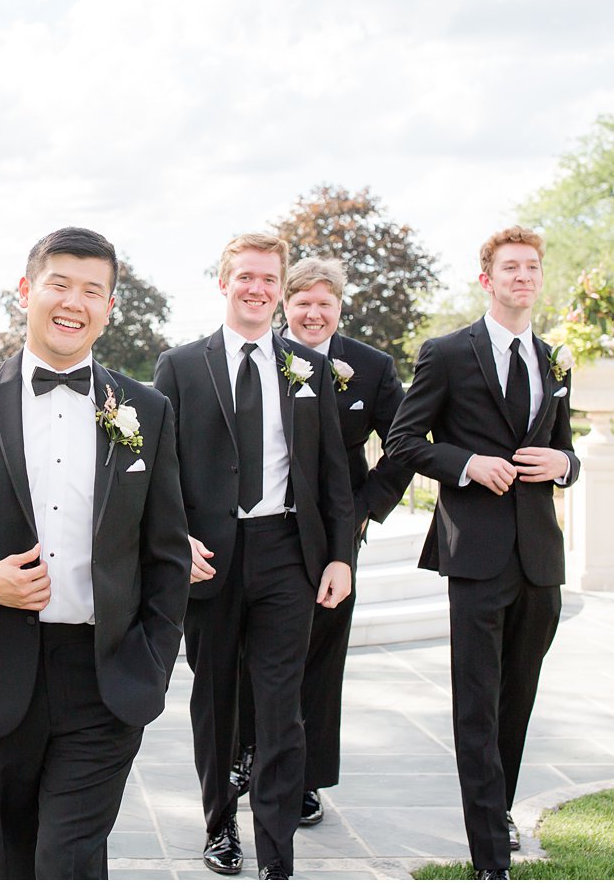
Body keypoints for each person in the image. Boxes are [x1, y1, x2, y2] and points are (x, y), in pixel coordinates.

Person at [0, 227, 190, 879]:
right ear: (26, 292)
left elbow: (166, 552)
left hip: (106, 675)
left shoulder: (148, 410)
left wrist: (154, 658)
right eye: (59, 283)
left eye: (93, 290)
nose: (74, 302)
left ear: (109, 306)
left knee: (69, 859)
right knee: (11, 860)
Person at [153, 233, 356, 881]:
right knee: (214, 702)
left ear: (280, 286)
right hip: (210, 556)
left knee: (281, 707)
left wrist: (339, 556)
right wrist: (174, 539)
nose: (258, 288)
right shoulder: (180, 365)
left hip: (286, 553)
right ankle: (219, 828)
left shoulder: (308, 368)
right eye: (246, 276)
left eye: (269, 278)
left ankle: (276, 853)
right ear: (224, 282)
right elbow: (158, 471)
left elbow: (333, 476)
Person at [385, 226, 578, 881]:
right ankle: (490, 859)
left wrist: (567, 462)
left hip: (540, 560)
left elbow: (566, 448)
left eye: (532, 267)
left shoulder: (556, 359)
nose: (523, 276)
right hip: (474, 556)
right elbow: (403, 443)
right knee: (477, 703)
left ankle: (497, 813)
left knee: (517, 701)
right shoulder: (446, 353)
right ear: (486, 279)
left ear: (539, 278)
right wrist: (467, 463)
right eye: (510, 267)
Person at [231, 258, 414, 827]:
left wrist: (362, 513)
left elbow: (404, 444)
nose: (313, 313)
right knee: (245, 653)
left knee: (318, 657)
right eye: (302, 302)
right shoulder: (259, 358)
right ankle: (245, 754)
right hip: (263, 529)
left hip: (335, 536)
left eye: (324, 304)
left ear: (340, 308)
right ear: (286, 305)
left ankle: (306, 778)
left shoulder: (373, 367)